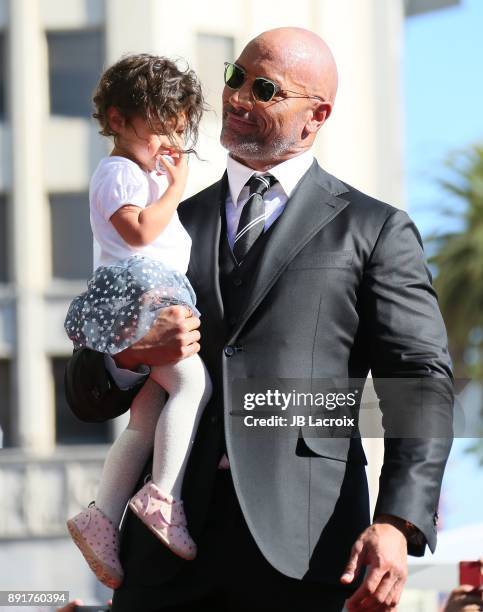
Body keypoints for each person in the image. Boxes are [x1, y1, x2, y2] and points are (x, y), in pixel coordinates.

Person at [64, 28, 454, 612]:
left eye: (264, 88)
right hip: (165, 563)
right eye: (234, 76)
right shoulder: (163, 225)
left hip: (309, 553)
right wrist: (132, 355)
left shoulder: (373, 229)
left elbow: (418, 381)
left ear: (316, 115)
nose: (239, 96)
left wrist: (397, 520)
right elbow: (85, 390)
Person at [64, 54, 211, 590]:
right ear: (119, 120)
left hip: (149, 290)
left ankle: (102, 513)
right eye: (158, 129)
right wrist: (174, 189)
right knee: (193, 382)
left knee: (150, 408)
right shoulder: (117, 172)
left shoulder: (137, 172)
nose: (168, 142)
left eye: (177, 128)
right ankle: (161, 495)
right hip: (139, 291)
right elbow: (138, 233)